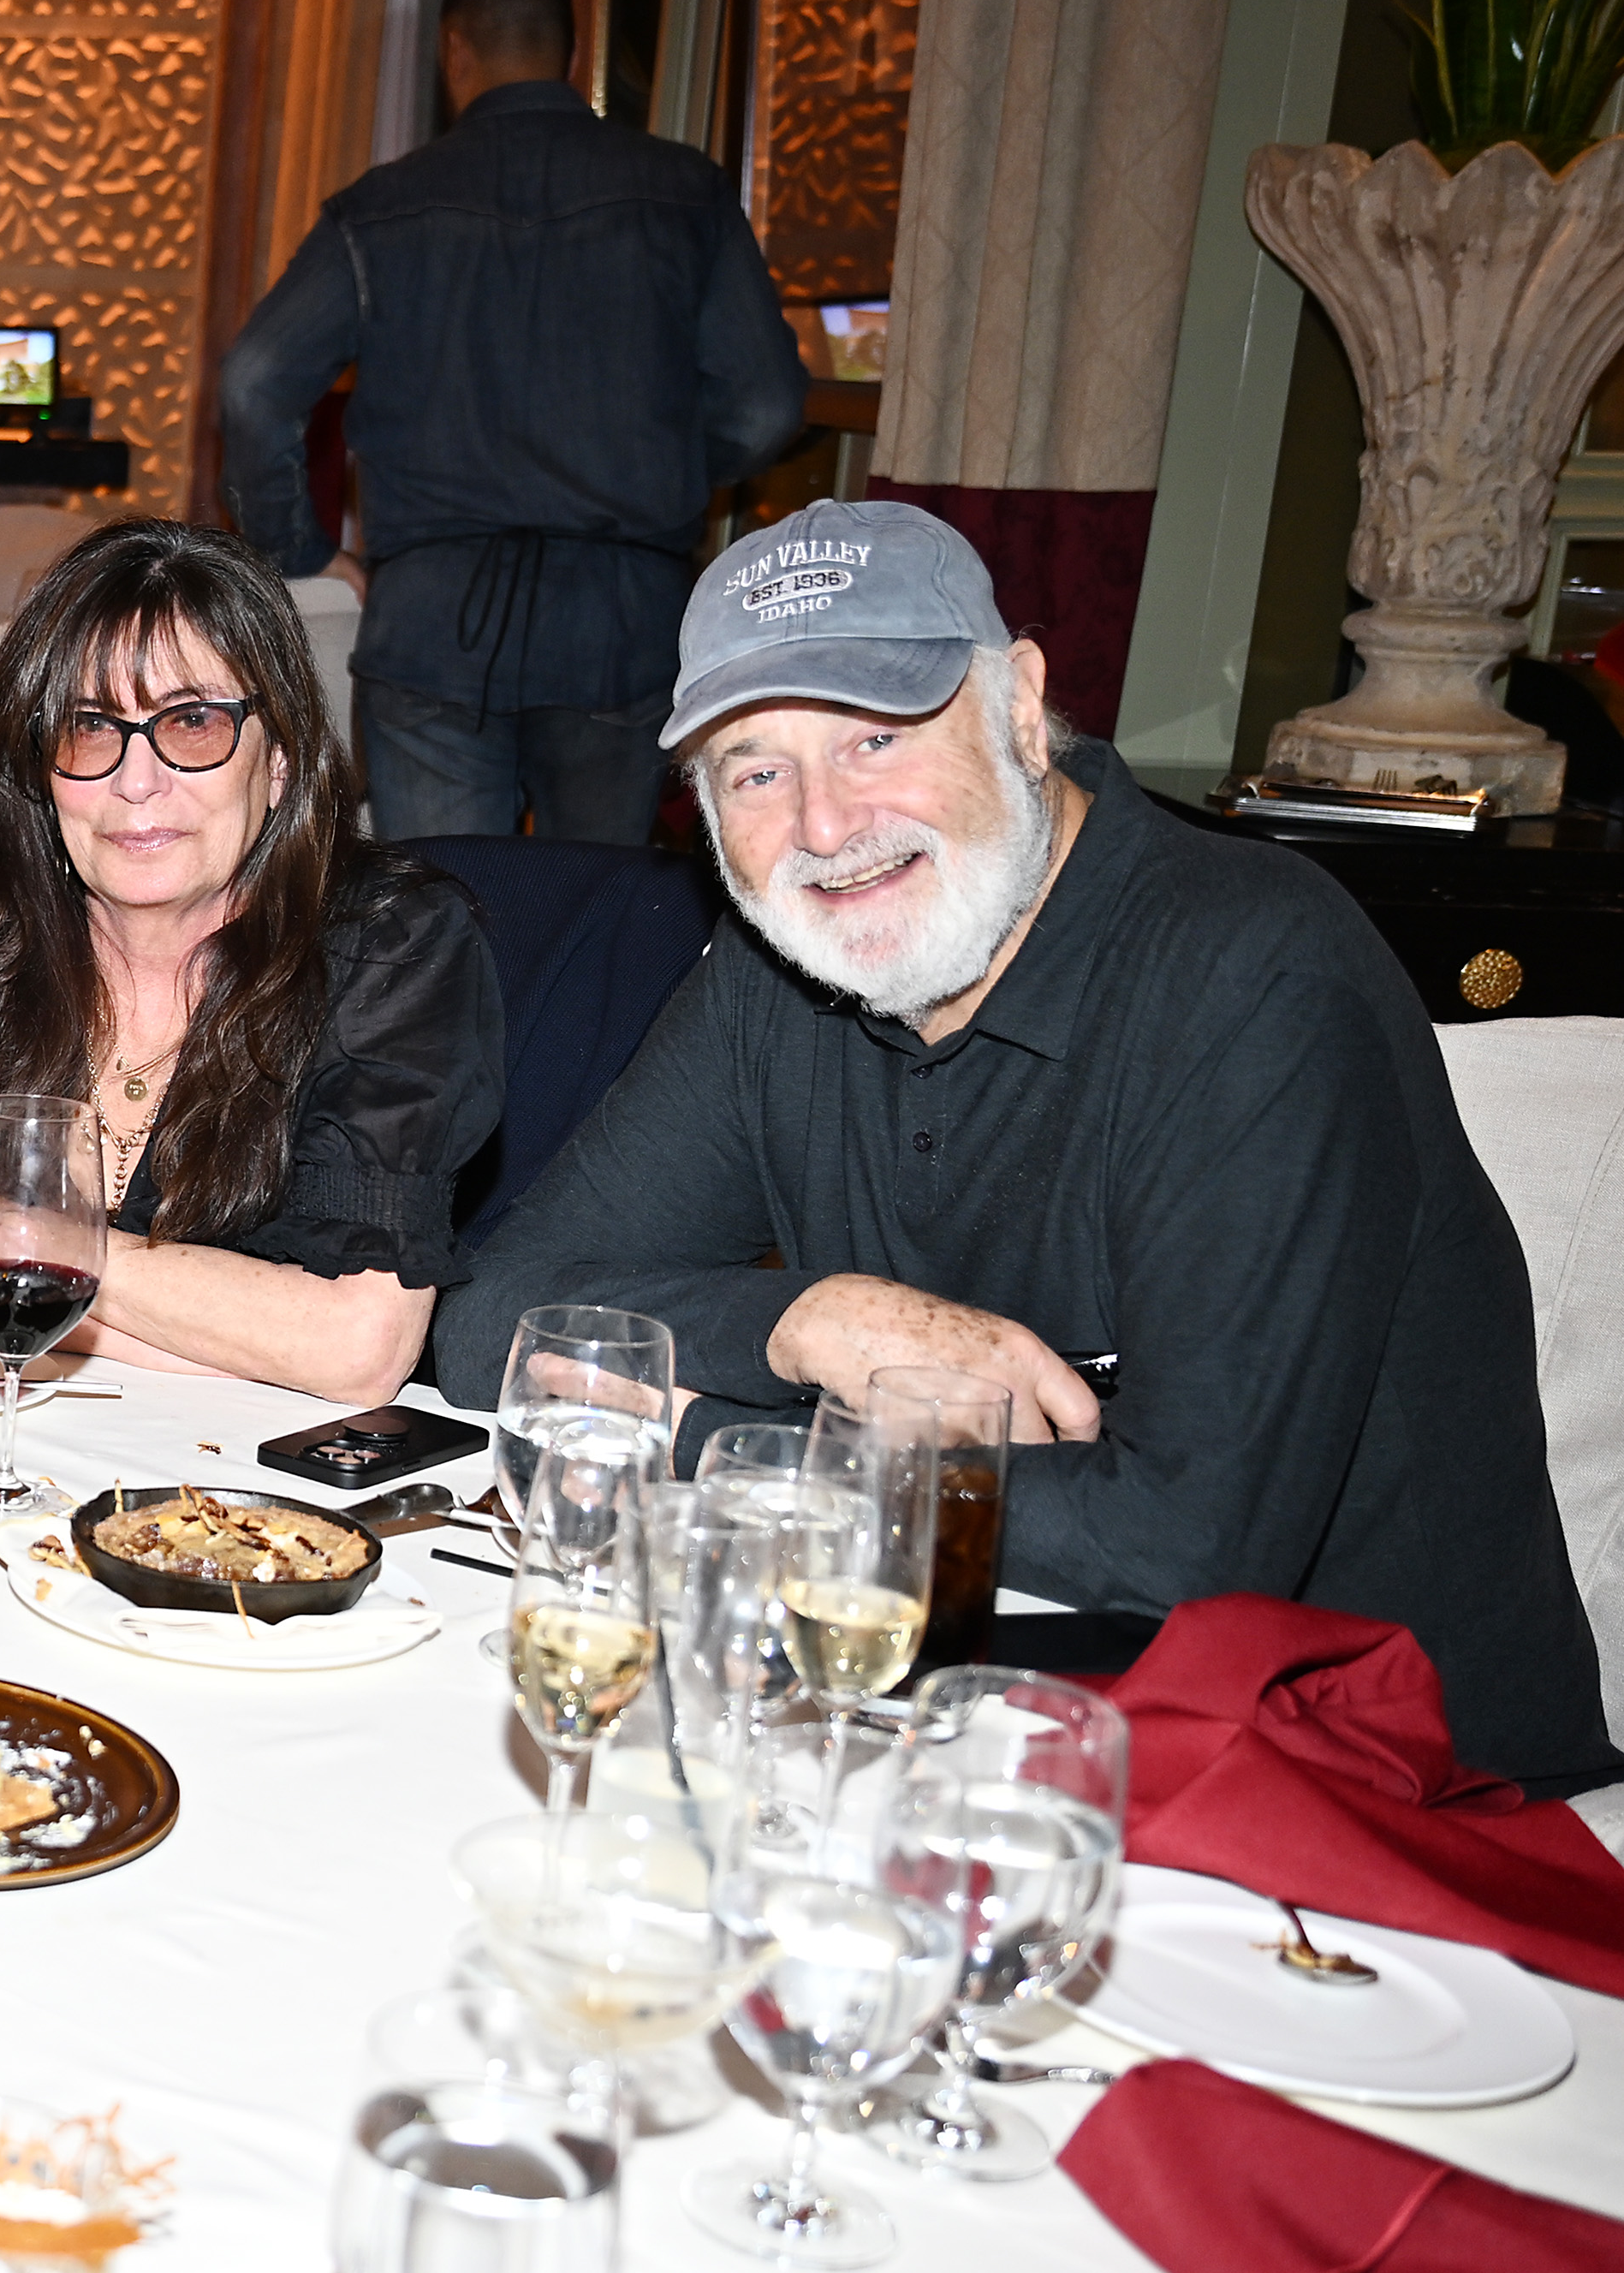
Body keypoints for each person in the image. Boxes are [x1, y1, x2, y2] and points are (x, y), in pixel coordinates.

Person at [443, 504, 1615, 1793]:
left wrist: (713, 1441)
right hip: (981, 1710)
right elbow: (496, 1313)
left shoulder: (1250, 976)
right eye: (753, 770)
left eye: (874, 736)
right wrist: (805, 1321)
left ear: (1016, 705)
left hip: (1378, 1806)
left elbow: (1185, 1550)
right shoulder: (771, 983)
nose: (824, 827)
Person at [0, 520, 504, 1405]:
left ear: (277, 759)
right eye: (90, 728)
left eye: (192, 723)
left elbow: (356, 1345)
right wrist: (165, 1327)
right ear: (43, 773)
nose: (136, 779)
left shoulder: (391, 948)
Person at [217, 0, 810, 845]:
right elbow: (767, 407)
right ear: (572, 56)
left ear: (454, 53)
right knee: (589, 923)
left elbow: (256, 383)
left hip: (431, 619)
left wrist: (296, 546)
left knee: (449, 923)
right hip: (621, 616)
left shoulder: (378, 209)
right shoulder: (686, 194)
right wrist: (662, 471)